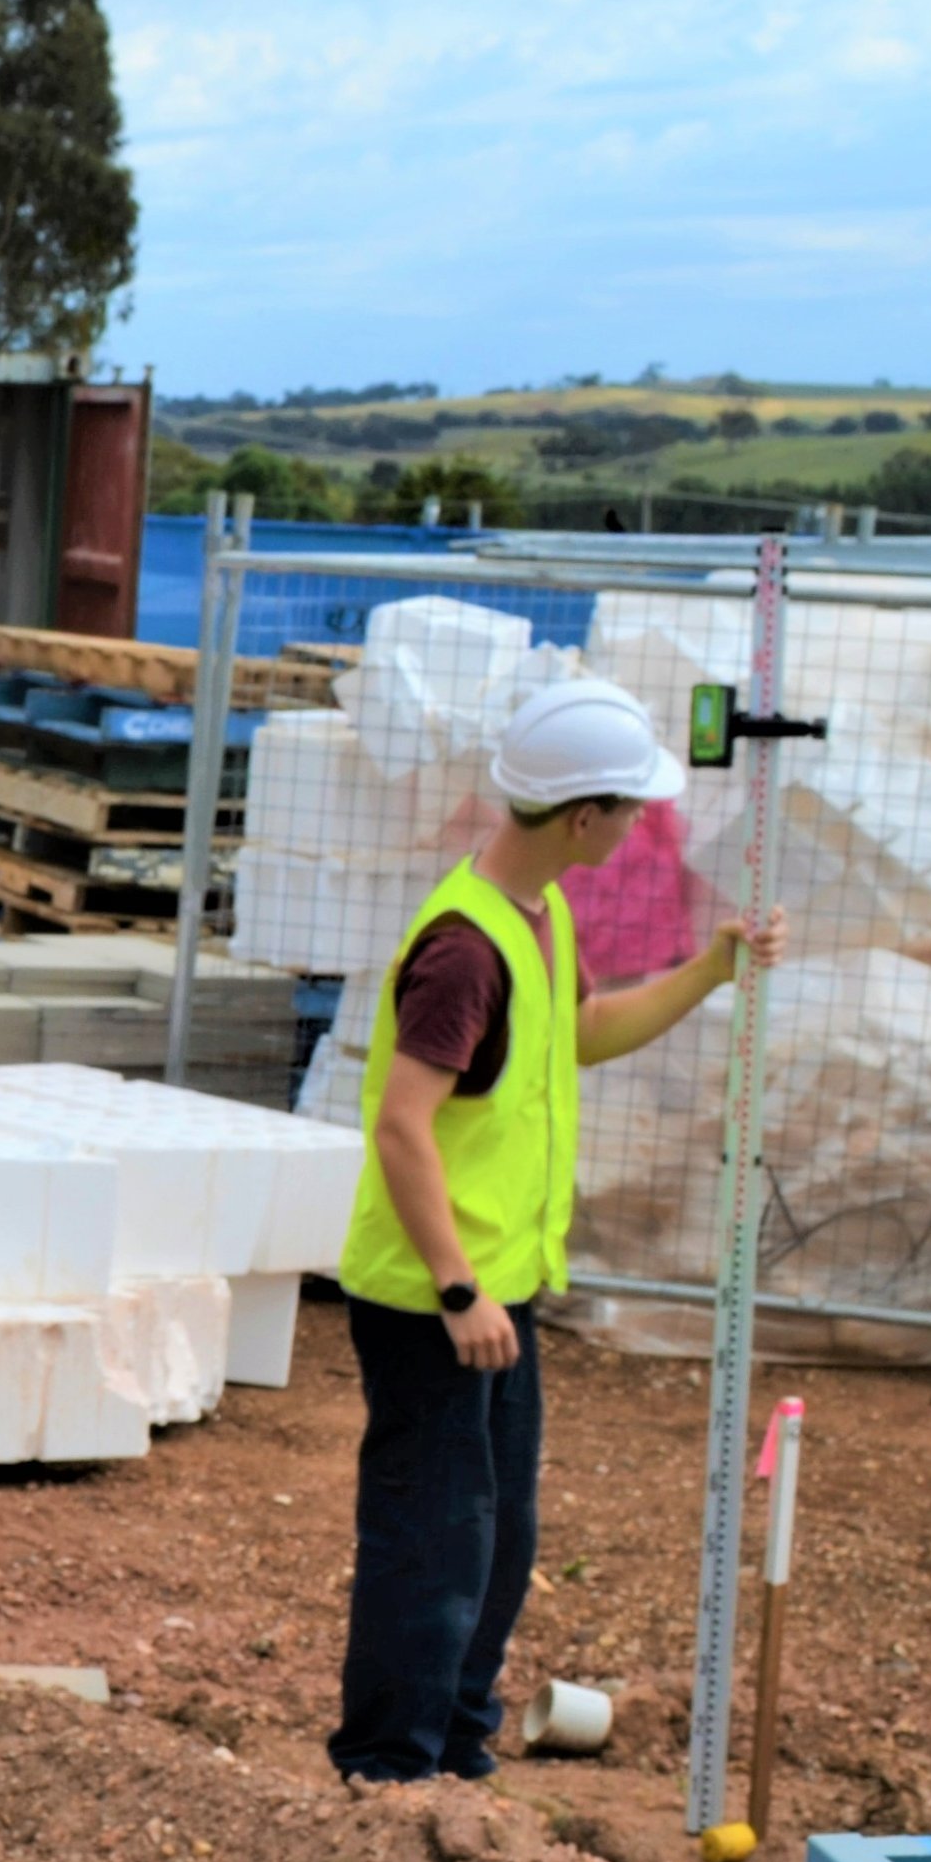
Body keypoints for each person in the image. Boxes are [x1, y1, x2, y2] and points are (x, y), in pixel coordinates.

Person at [330, 675, 787, 1788]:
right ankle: (388, 1770)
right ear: (583, 816)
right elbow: (401, 1127)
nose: (639, 826)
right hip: (435, 1300)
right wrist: (456, 1288)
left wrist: (711, 968)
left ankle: (454, 1743)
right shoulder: (465, 949)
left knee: (498, 1536)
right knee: (433, 1539)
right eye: (630, 808)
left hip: (499, 1289)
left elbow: (580, 1032)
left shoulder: (535, 913)